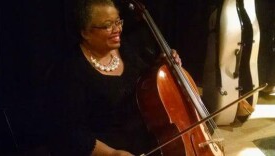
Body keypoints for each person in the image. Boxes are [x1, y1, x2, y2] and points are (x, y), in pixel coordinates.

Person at [42, 0, 182, 155]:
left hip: (149, 144)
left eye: (118, 21)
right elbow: (70, 133)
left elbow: (147, 85)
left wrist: (163, 66)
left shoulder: (128, 49)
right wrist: (112, 153)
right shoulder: (69, 71)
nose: (118, 29)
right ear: (85, 33)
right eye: (108, 25)